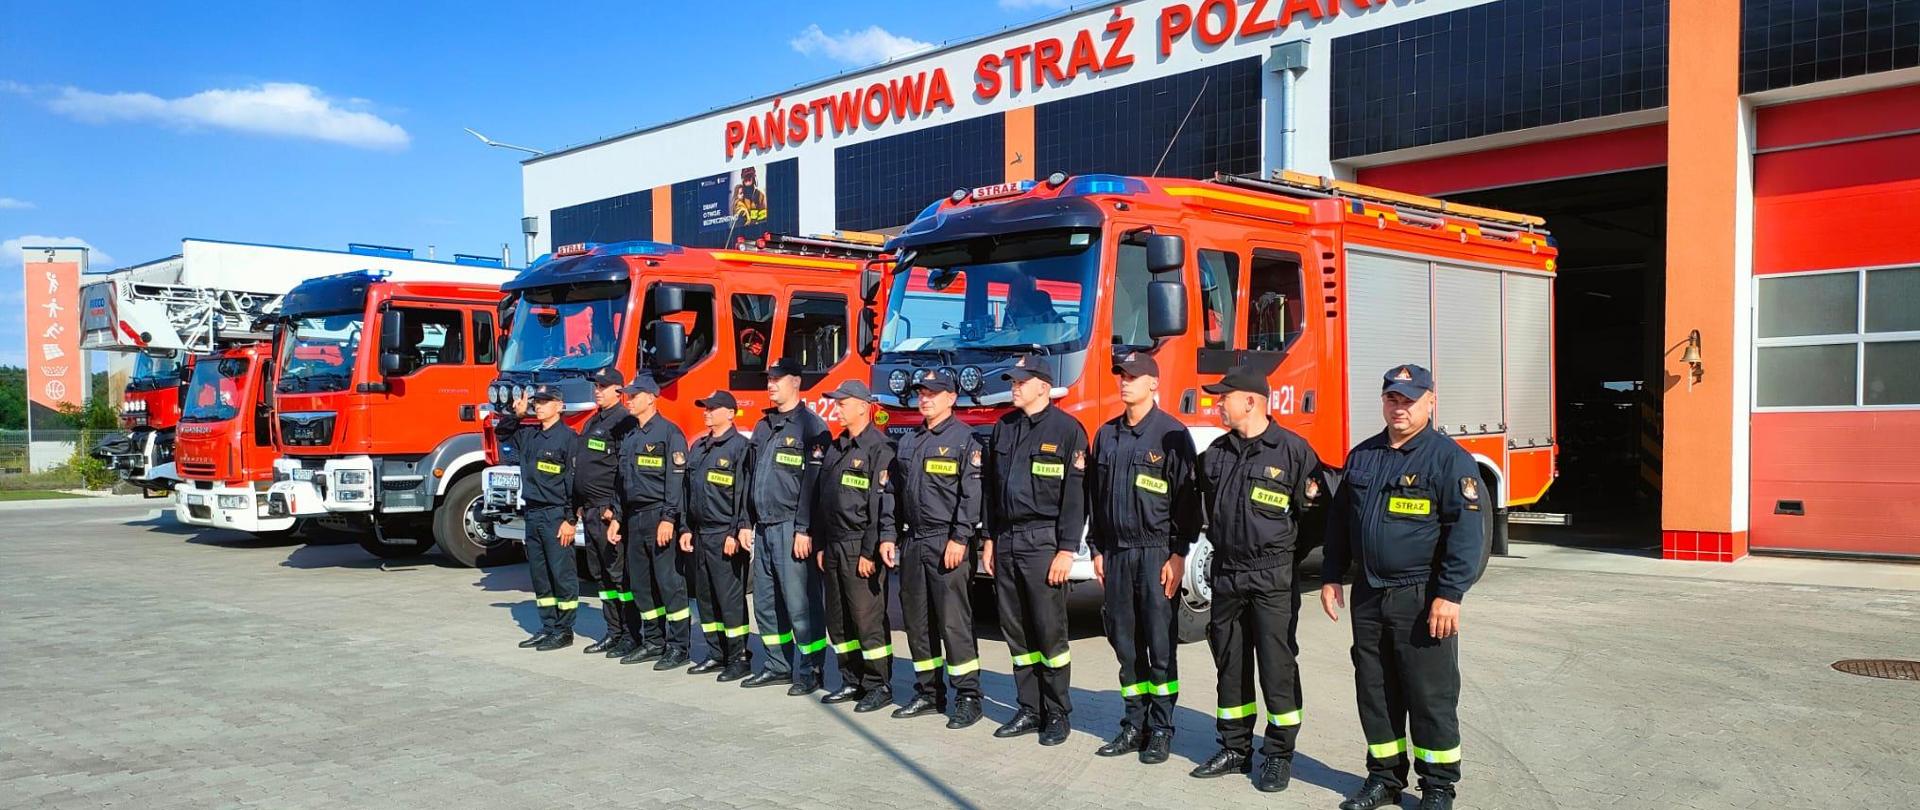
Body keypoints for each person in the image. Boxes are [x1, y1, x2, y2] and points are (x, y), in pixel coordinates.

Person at [1320, 364, 1487, 810]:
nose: (1401, 407)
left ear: (1431, 401)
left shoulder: (1448, 460)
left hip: (1421, 595)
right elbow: (1339, 522)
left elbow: (1468, 534)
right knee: (1375, 689)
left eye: (1410, 399)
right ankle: (1385, 777)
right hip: (1370, 593)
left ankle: (1437, 786)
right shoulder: (1363, 456)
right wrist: (1332, 574)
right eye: (1393, 398)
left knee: (1429, 693)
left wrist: (1450, 594)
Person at [1190, 364, 1324, 793]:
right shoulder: (1216, 454)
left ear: (1249, 401)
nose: (1216, 403)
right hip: (1228, 574)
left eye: (1223, 396)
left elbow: (1316, 520)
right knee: (1230, 664)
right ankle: (1234, 747)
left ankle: (1279, 755)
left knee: (1276, 667)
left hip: (1272, 578)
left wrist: (1282, 558)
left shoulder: (1292, 452)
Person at [1087, 352, 1198, 765]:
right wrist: (1097, 549)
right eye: (1121, 375)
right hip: (1116, 555)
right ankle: (1133, 724)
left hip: (1154, 555)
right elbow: (1095, 500)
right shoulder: (1107, 434)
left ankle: (1162, 729)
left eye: (1134, 376)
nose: (1124, 382)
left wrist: (1178, 554)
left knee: (1159, 646)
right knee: (1125, 645)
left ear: (1154, 383)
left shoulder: (1171, 434)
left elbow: (1187, 502)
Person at [983, 354, 1087, 747]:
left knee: (1049, 633)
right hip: (1007, 540)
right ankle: (1029, 708)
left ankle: (1057, 713)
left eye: (1021, 381)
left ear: (1043, 386)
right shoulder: (1003, 428)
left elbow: (1075, 497)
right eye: (1013, 380)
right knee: (1017, 632)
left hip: (1043, 542)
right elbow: (991, 492)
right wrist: (990, 539)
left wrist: (1066, 548)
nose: (1014, 386)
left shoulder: (1067, 431)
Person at [886, 368, 985, 729]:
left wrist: (960, 538)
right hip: (914, 542)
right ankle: (929, 692)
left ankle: (968, 697)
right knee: (918, 621)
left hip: (947, 543)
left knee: (953, 622)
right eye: (921, 393)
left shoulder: (965, 440)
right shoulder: (910, 441)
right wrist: (889, 535)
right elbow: (894, 493)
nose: (924, 398)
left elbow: (971, 495)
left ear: (951, 398)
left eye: (932, 393)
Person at [742, 359, 833, 694]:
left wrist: (805, 529)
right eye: (769, 379)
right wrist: (746, 522)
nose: (771, 384)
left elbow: (814, 484)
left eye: (778, 379)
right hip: (764, 528)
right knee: (766, 603)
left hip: (791, 529)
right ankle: (777, 665)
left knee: (800, 604)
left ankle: (811, 670)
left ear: (796, 382)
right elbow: (749, 477)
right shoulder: (764, 425)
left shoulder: (811, 426)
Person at [813, 380, 899, 713]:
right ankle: (851, 679)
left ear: (863, 406)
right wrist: (821, 543)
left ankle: (878, 684)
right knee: (839, 620)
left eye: (842, 403)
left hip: (858, 546)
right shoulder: (837, 447)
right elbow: (823, 499)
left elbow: (881, 505)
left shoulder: (879, 448)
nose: (837, 409)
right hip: (833, 546)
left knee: (867, 619)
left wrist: (869, 551)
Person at [613, 374, 692, 670]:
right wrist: (617, 518)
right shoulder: (631, 437)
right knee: (642, 585)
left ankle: (679, 646)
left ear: (651, 398)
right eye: (628, 396)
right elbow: (623, 483)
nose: (629, 400)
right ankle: (653, 641)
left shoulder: (670, 433)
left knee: (670, 584)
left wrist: (669, 518)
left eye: (634, 396)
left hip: (659, 515)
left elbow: (676, 481)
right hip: (634, 518)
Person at [680, 390, 755, 682]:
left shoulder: (740, 448)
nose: (706, 412)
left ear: (730, 413)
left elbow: (743, 494)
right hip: (700, 535)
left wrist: (736, 531)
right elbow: (687, 491)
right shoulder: (699, 447)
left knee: (730, 599)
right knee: (706, 598)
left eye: (713, 408)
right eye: (705, 407)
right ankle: (716, 654)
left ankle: (738, 657)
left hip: (725, 534)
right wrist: (685, 528)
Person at [506, 386, 580, 652]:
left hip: (556, 514)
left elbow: (575, 483)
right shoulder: (530, 435)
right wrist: (516, 414)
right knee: (540, 575)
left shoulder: (569, 438)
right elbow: (503, 432)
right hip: (533, 513)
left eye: (546, 402)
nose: (539, 407)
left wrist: (570, 520)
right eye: (537, 403)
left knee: (561, 574)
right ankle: (548, 627)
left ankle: (564, 630)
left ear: (559, 406)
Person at [576, 367, 637, 659]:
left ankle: (629, 633)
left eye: (603, 386)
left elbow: (624, 471)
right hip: (589, 511)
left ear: (618, 390)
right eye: (596, 386)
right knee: (600, 576)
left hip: (607, 512)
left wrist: (615, 508)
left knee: (618, 576)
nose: (597, 390)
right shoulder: (593, 421)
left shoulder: (624, 422)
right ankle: (613, 632)